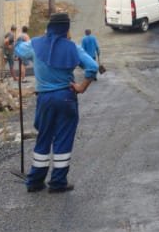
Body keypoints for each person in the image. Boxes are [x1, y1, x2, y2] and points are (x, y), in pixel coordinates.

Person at [15, 13, 97, 193]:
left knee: (44, 136)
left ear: (49, 27)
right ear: (66, 29)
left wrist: (20, 38)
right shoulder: (73, 48)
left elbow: (19, 49)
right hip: (66, 96)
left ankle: (35, 181)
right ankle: (58, 182)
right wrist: (82, 86)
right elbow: (92, 66)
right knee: (63, 137)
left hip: (44, 98)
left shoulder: (35, 45)